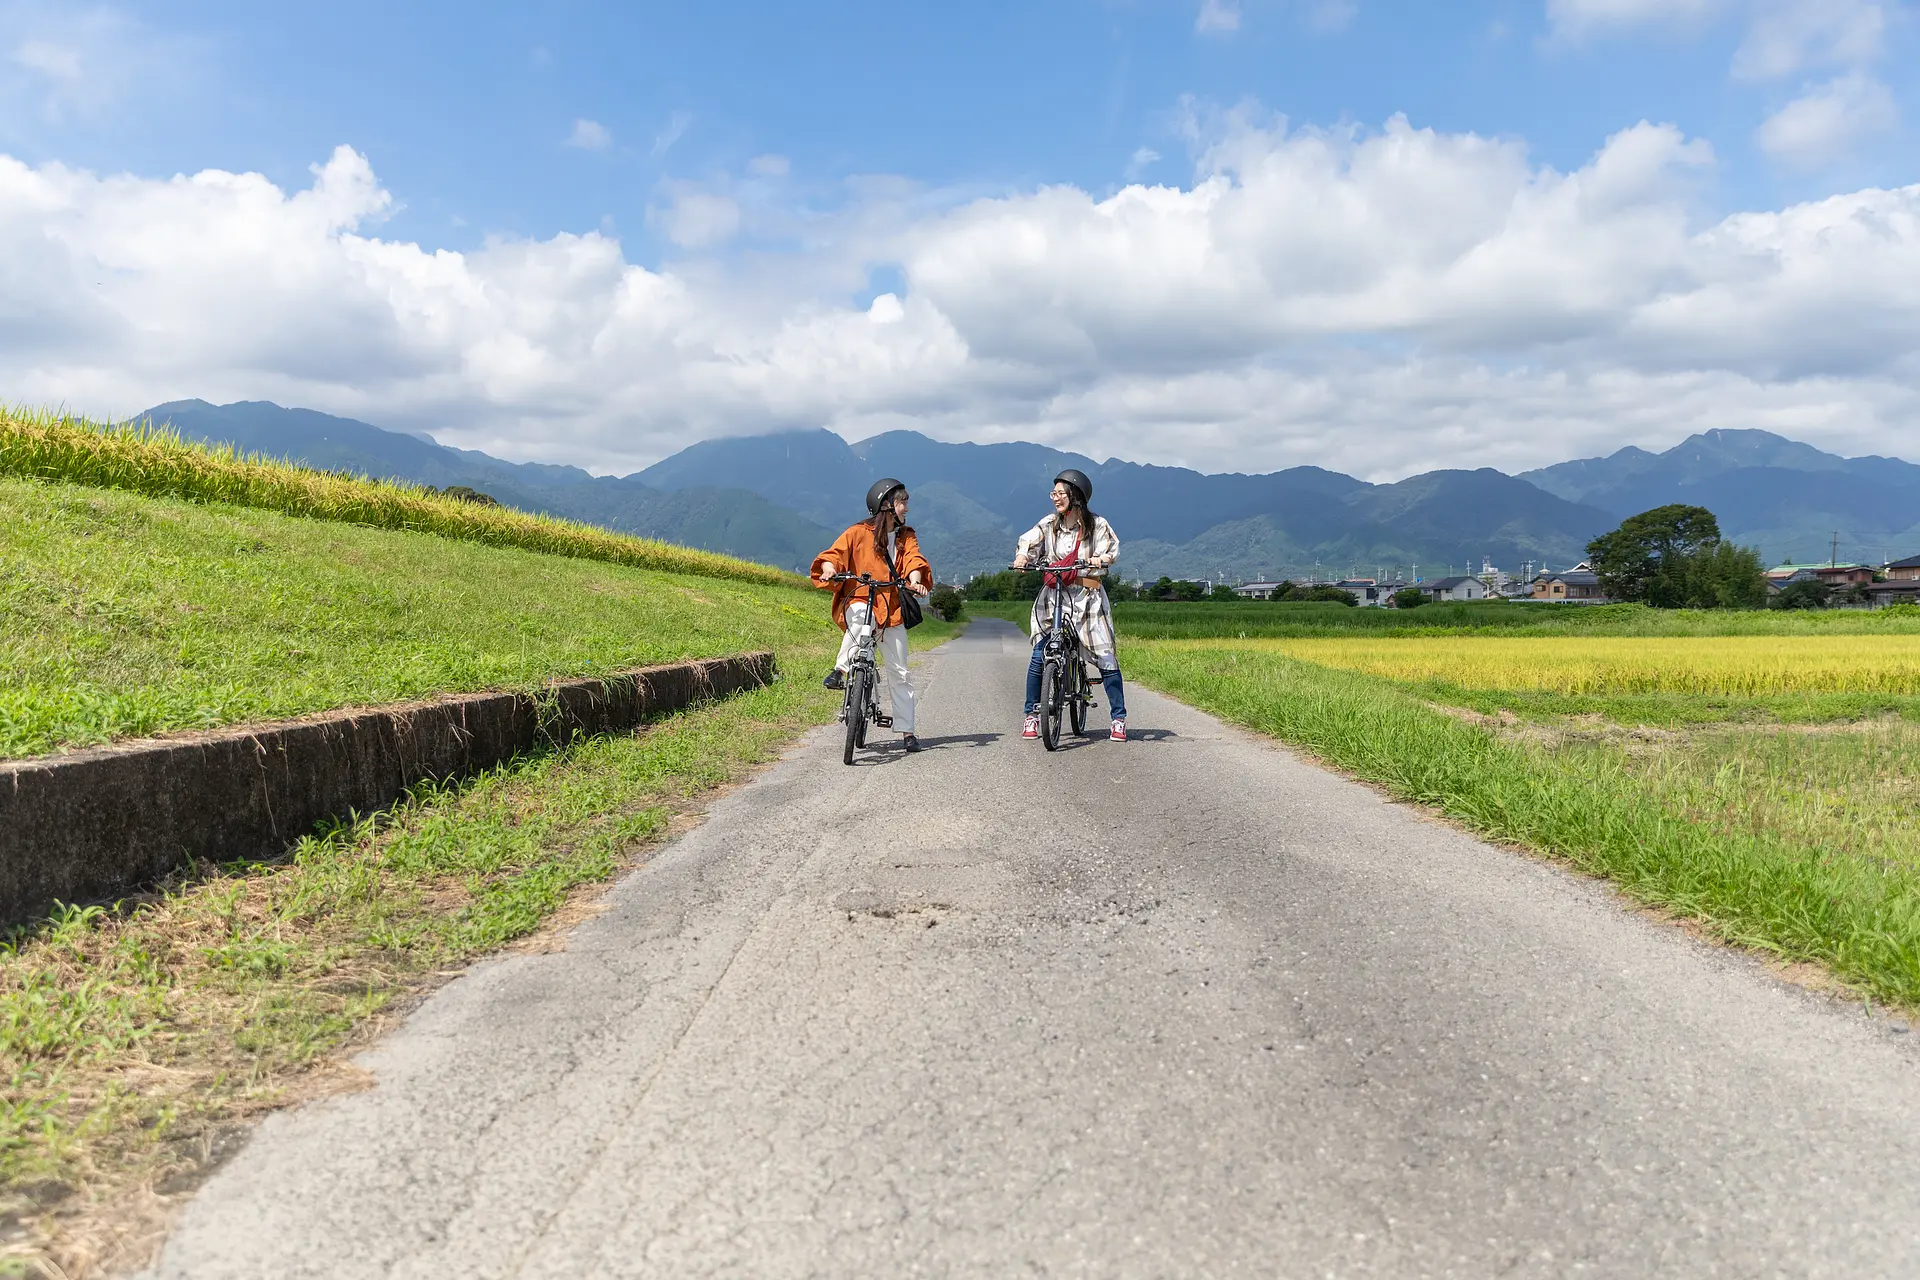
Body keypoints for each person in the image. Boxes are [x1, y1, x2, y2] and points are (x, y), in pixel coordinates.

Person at [812, 478, 932, 752]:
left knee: (900, 672)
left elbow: (914, 559)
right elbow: (835, 554)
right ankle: (841, 670)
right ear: (887, 505)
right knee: (861, 619)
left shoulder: (905, 536)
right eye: (903, 502)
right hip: (861, 597)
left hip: (892, 607)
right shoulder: (857, 532)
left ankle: (908, 732)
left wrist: (914, 580)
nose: (906, 509)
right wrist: (830, 568)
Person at [1013, 468, 1128, 742]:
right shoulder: (1049, 524)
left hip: (1087, 598)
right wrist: (1022, 557)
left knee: (1105, 655)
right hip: (1055, 596)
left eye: (1061, 493)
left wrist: (1100, 560)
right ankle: (1031, 714)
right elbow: (1029, 540)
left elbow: (1111, 550)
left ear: (1075, 496)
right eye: (1054, 493)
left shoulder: (1097, 525)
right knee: (1041, 652)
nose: (1055, 498)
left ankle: (1118, 718)